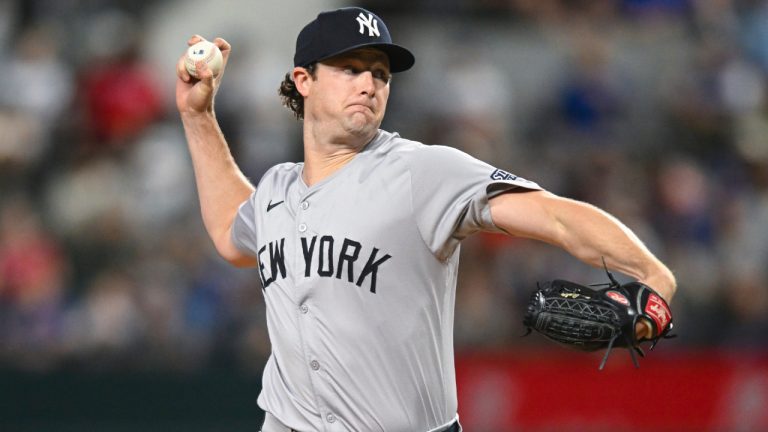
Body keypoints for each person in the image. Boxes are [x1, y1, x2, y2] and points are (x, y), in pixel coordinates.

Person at [175, 7, 676, 432]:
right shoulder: (276, 189)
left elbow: (554, 215)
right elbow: (229, 233)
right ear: (303, 80)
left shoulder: (423, 171)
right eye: (351, 68)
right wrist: (198, 117)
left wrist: (653, 275)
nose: (369, 84)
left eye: (381, 74)